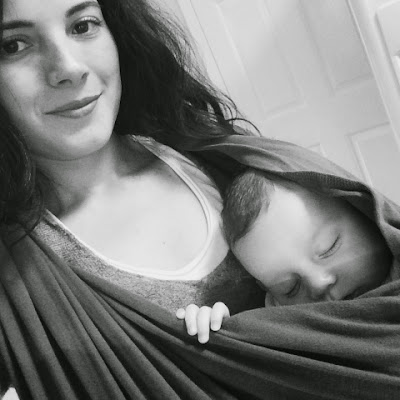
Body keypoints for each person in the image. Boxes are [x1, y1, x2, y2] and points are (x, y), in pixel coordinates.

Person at [1, 0, 400, 399]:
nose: (69, 68)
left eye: (83, 25)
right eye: (13, 45)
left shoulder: (242, 162)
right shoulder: (14, 283)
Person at [177, 168, 394, 343]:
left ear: (361, 211)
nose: (318, 284)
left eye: (329, 248)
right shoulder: (281, 317)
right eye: (290, 288)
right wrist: (220, 328)